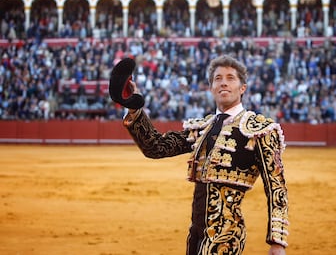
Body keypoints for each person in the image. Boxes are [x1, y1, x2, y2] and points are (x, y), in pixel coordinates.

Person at [121, 55, 289, 255]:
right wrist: (134, 107)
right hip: (196, 234)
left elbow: (276, 185)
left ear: (242, 88)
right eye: (218, 78)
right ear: (211, 88)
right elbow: (156, 147)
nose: (223, 83)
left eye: (230, 78)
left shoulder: (258, 130)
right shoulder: (202, 128)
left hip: (227, 235)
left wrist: (277, 241)